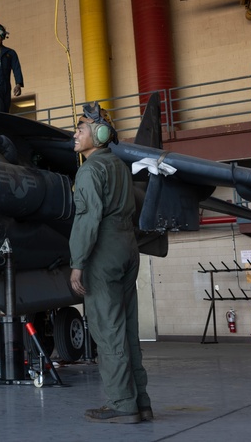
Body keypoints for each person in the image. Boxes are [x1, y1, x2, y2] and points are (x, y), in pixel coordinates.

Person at [69, 103, 152, 424]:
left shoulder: (90, 170)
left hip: (102, 252)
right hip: (128, 247)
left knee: (108, 331)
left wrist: (77, 263)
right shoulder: (119, 165)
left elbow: (87, 219)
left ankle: (122, 404)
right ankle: (140, 402)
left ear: (100, 134)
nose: (74, 133)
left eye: (81, 127)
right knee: (128, 330)